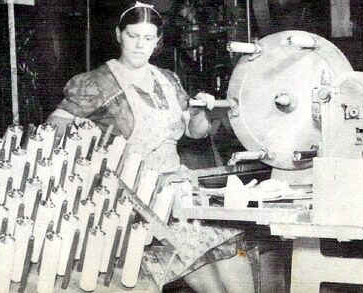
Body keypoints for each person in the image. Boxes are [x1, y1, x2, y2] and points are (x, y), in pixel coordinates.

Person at [47, 1, 255, 292]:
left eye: (147, 38)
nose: (139, 45)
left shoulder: (167, 80)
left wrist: (211, 113)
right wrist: (93, 144)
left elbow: (193, 131)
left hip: (177, 189)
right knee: (211, 279)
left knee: (234, 252)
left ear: (157, 41)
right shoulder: (96, 83)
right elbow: (54, 128)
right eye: (133, 36)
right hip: (135, 200)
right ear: (119, 34)